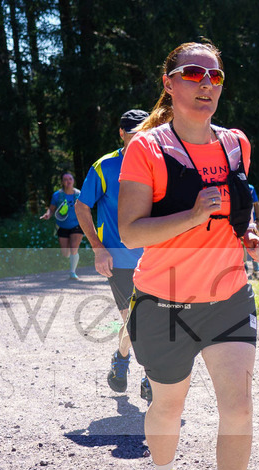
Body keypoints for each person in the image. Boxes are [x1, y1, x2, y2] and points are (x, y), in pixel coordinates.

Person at [117, 41, 259, 470]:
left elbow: (236, 209)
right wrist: (190, 217)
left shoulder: (235, 143)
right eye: (193, 73)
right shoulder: (147, 148)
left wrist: (246, 235)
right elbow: (132, 233)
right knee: (168, 406)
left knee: (240, 407)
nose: (206, 84)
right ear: (169, 83)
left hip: (227, 295)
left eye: (216, 76)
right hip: (164, 302)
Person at [74, 109, 151, 402]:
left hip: (155, 257)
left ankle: (122, 359)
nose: (137, 137)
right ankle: (151, 374)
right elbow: (83, 206)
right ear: (121, 133)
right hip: (119, 260)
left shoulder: (159, 163)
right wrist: (97, 247)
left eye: (142, 131)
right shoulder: (104, 166)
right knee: (138, 321)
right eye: (132, 132)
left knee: (145, 320)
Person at [40, 171, 82, 279]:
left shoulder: (79, 194)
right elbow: (51, 209)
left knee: (74, 248)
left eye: (70, 179)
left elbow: (84, 209)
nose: (68, 181)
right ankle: (71, 260)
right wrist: (48, 215)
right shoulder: (57, 195)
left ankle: (72, 272)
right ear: (62, 182)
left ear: (73, 181)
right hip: (62, 226)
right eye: (65, 180)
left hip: (77, 224)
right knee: (65, 253)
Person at [246, 183, 259, 279]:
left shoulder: (233, 186)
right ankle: (255, 268)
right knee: (254, 244)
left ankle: (244, 267)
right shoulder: (250, 188)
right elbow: (257, 204)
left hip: (239, 221)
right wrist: (258, 219)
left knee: (241, 244)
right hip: (251, 222)